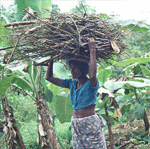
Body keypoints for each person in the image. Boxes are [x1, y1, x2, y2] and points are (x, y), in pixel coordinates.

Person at [46, 38, 107, 149]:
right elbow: (48, 77)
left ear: (84, 69)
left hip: (90, 124)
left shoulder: (91, 84)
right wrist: (51, 58)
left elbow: (93, 75)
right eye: (71, 68)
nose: (72, 71)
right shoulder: (72, 83)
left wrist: (92, 50)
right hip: (76, 124)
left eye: (75, 68)